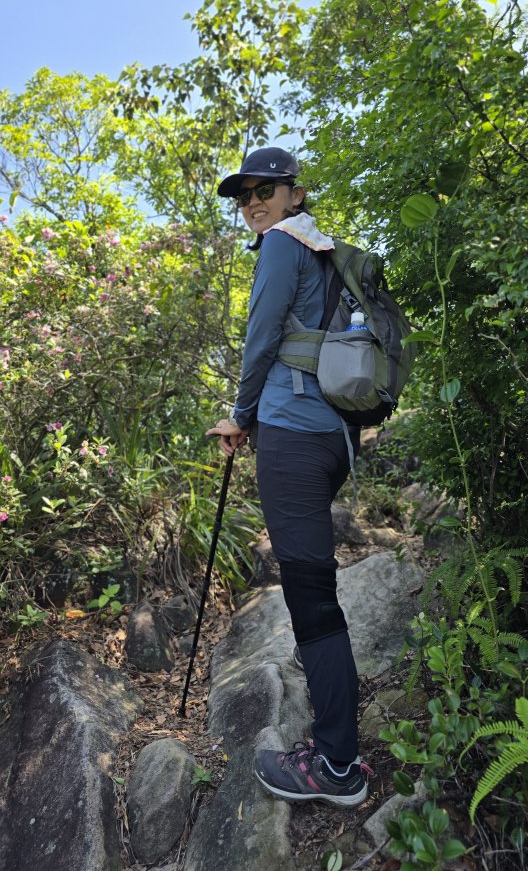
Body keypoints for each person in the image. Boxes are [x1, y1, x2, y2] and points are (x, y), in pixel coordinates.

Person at [206, 146, 370, 807]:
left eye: (265, 190)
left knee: (310, 596)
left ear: (294, 195)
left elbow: (261, 334)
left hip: (292, 436)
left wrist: (240, 415)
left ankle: (336, 767)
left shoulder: (281, 243)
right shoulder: (328, 253)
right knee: (313, 590)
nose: (253, 203)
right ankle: (335, 747)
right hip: (332, 437)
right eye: (245, 194)